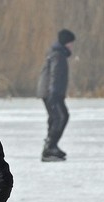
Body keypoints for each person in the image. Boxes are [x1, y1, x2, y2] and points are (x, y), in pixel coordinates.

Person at [36, 29, 75, 162]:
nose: (72, 46)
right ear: (65, 42)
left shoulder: (58, 53)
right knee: (60, 117)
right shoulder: (58, 55)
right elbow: (54, 75)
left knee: (58, 117)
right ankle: (50, 148)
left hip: (52, 92)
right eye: (70, 43)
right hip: (51, 93)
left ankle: (52, 146)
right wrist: (53, 94)